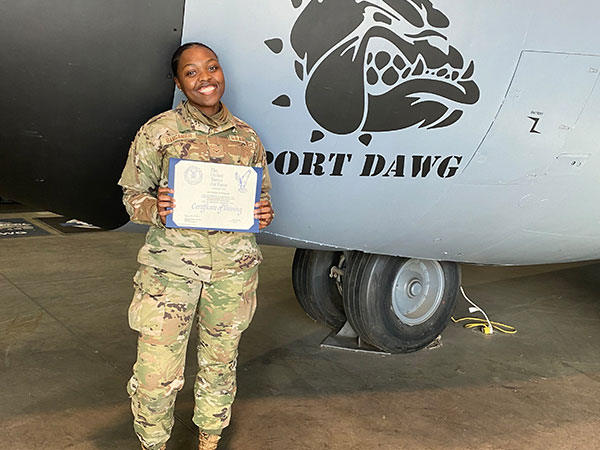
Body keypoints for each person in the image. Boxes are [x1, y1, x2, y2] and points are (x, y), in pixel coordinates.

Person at [118, 42, 274, 450]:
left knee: (219, 365)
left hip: (232, 271)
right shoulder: (159, 131)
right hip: (171, 271)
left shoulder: (247, 137)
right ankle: (153, 443)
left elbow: (261, 199)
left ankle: (209, 439)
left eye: (212, 68)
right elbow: (132, 194)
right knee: (156, 372)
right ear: (178, 82)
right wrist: (157, 207)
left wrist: (262, 213)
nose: (205, 78)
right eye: (191, 72)